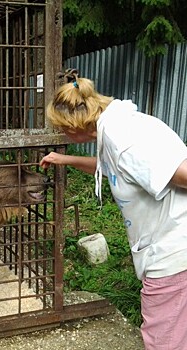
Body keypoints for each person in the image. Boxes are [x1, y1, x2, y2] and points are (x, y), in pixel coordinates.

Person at [40, 69, 187, 350]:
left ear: (73, 127)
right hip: (171, 248)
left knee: (164, 341)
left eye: (60, 128)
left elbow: (179, 171)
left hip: (174, 253)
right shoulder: (115, 130)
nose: (60, 133)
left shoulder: (128, 140)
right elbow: (115, 168)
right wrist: (65, 159)